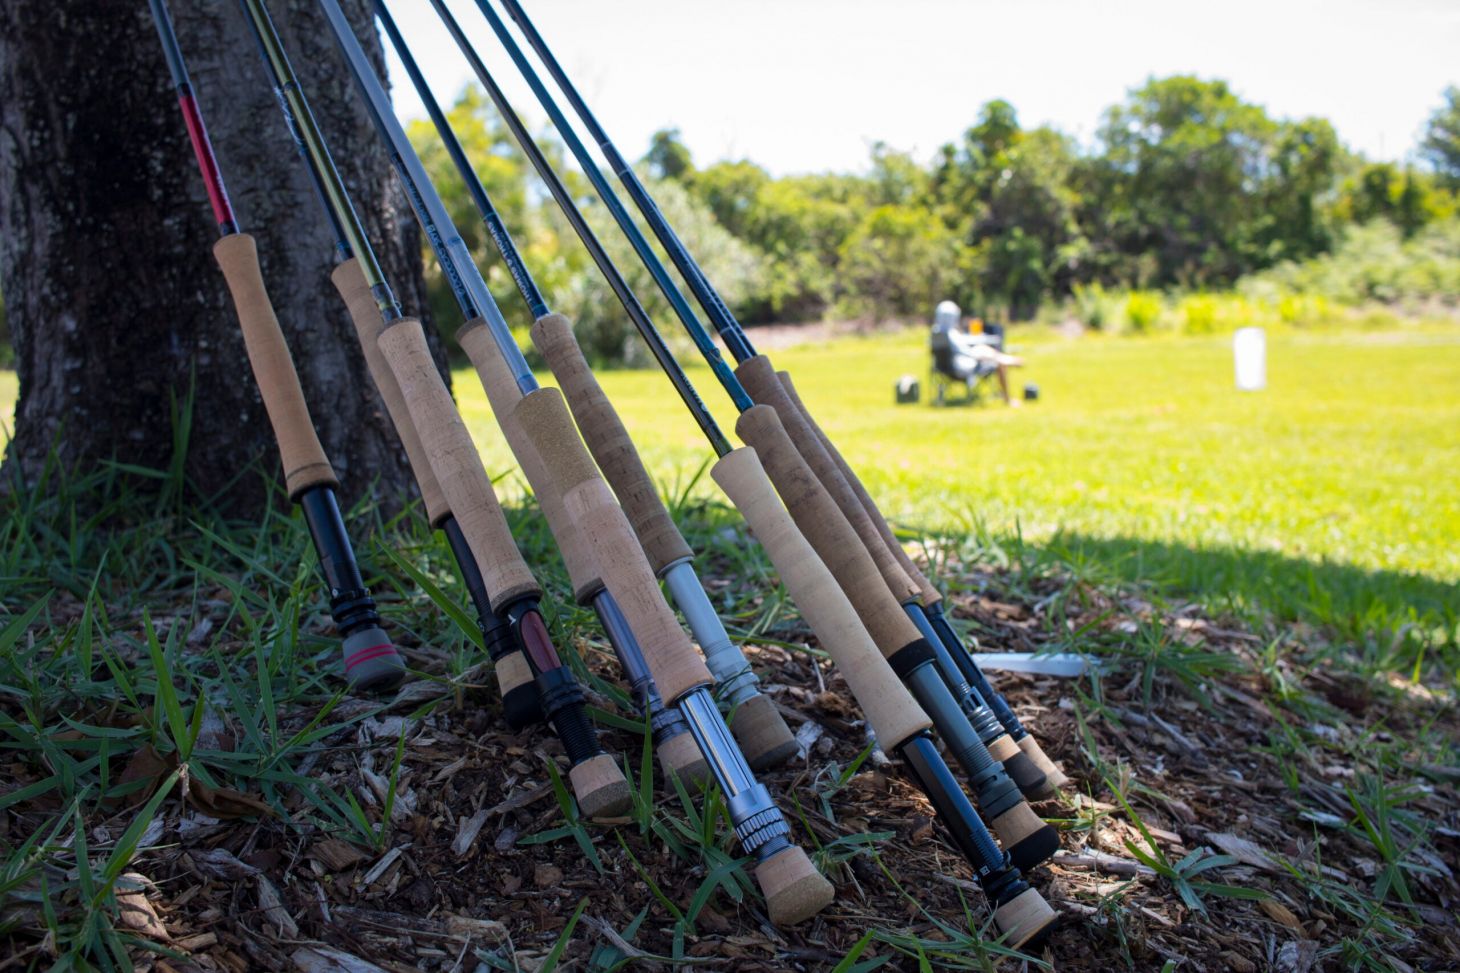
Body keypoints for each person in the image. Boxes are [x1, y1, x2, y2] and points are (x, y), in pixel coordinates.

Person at [930, 300, 1024, 405]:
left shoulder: (936, 332)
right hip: (962, 367)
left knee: (983, 350)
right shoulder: (950, 334)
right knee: (988, 355)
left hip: (944, 369)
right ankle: (1007, 395)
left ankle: (1005, 359)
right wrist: (977, 353)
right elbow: (964, 351)